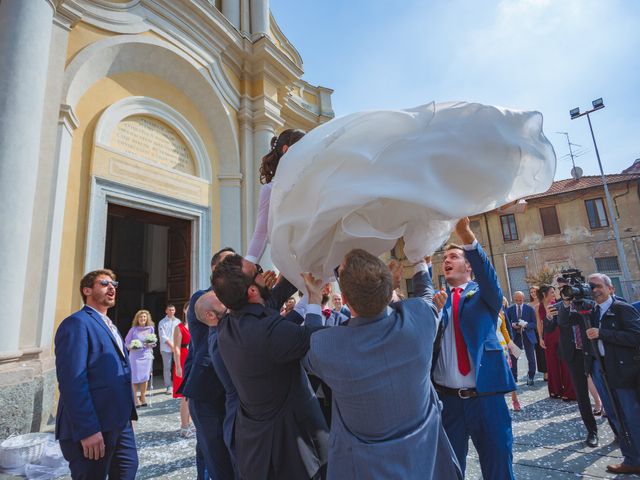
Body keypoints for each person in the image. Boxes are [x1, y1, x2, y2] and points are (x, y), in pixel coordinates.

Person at [302, 249, 462, 479]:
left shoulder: (328, 346)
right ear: (390, 289)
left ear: (344, 299)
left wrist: (314, 300)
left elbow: (309, 342)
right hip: (427, 465)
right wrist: (417, 263)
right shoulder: (419, 319)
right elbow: (427, 297)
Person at [212, 254, 329, 480]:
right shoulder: (269, 331)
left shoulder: (227, 324)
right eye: (257, 272)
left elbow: (267, 305)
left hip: (255, 442)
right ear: (252, 291)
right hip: (290, 445)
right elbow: (314, 338)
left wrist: (293, 270)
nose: (263, 272)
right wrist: (314, 296)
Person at [432, 218, 516, 479]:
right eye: (444, 257)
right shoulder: (437, 301)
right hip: (448, 401)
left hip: (486, 398)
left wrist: (465, 235)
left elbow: (488, 276)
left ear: (468, 265)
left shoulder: (485, 294)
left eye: (454, 256)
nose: (447, 260)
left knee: (498, 465)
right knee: (448, 470)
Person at [55, 269, 138, 479]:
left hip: (119, 423)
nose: (112, 288)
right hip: (94, 426)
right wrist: (88, 430)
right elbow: (73, 380)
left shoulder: (110, 325)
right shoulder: (77, 323)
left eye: (114, 284)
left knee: (128, 469)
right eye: (104, 283)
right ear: (87, 290)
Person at [567, 273, 640, 474]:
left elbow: (636, 336)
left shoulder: (622, 308)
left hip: (622, 370)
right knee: (615, 417)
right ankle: (632, 459)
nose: (594, 289)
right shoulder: (590, 311)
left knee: (632, 416)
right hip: (600, 370)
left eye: (598, 285)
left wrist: (603, 334)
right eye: (591, 286)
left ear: (611, 289)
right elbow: (565, 321)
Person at [180, 248, 236, 480]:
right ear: (215, 270)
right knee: (215, 454)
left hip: (229, 389)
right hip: (206, 389)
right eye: (229, 263)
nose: (236, 267)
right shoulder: (203, 298)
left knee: (211, 450)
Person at [245, 128, 305, 265]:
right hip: (294, 265)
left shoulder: (311, 181)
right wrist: (249, 264)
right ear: (286, 150)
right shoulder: (270, 190)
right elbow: (261, 233)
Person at [555, 284, 598, 448]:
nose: (567, 292)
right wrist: (565, 305)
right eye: (563, 289)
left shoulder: (589, 302)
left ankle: (618, 429)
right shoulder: (561, 306)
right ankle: (592, 431)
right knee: (582, 395)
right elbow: (562, 323)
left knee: (607, 389)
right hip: (574, 354)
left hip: (593, 352)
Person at [537, 285, 576, 401]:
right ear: (544, 294)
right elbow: (539, 323)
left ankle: (569, 391)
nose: (554, 294)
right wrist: (540, 338)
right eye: (552, 292)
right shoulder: (538, 307)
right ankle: (555, 390)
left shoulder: (558, 304)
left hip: (560, 335)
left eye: (554, 292)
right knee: (551, 363)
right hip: (548, 337)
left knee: (564, 363)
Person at [124, 310, 156, 407]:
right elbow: (126, 342)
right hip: (135, 357)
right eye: (141, 317)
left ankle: (143, 397)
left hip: (146, 356)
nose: (142, 319)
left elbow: (154, 342)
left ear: (147, 318)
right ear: (137, 319)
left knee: (145, 378)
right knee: (134, 378)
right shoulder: (133, 330)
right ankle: (135, 398)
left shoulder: (151, 329)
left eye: (144, 317)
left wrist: (151, 344)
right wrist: (132, 346)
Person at [505, 291, 537, 385]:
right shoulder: (510, 309)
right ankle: (514, 378)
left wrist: (526, 324)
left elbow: (534, 324)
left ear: (523, 298)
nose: (518, 301)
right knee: (514, 357)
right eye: (516, 300)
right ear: (513, 299)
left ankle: (531, 377)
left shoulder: (529, 309)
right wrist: (512, 325)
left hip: (528, 336)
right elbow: (506, 324)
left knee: (530, 357)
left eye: (520, 299)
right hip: (515, 336)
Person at [498, 297, 522, 412]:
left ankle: (515, 399)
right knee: (496, 374)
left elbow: (505, 330)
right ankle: (500, 402)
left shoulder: (501, 310)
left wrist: (511, 345)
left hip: (502, 345)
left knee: (509, 372)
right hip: (489, 346)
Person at [172, 304, 193, 438]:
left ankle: (189, 423)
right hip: (183, 361)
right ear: (185, 310)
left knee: (192, 395)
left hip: (193, 360)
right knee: (185, 397)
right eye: (189, 307)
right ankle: (184, 427)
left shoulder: (197, 325)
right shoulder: (178, 328)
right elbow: (177, 348)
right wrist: (178, 366)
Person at [158, 304, 180, 395]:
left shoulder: (178, 321)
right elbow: (163, 336)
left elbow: (180, 334)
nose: (171, 311)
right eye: (169, 310)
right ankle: (168, 386)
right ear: (166, 311)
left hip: (177, 348)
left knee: (178, 366)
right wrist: (172, 346)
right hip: (166, 348)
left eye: (173, 310)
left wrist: (177, 346)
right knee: (167, 368)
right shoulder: (162, 322)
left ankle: (178, 385)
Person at [530, 285, 548, 380]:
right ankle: (545, 373)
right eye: (531, 292)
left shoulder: (543, 302)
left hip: (546, 329)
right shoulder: (529, 305)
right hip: (535, 332)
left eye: (535, 291)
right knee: (540, 354)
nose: (533, 294)